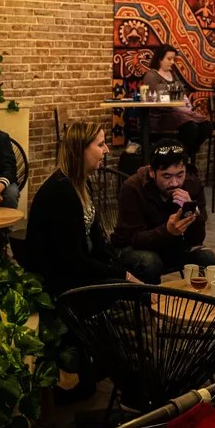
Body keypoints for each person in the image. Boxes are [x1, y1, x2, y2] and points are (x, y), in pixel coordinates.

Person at [24, 119, 138, 296]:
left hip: (80, 269)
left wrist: (120, 270)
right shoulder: (61, 192)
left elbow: (96, 239)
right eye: (100, 144)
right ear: (80, 150)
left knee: (142, 267)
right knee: (137, 287)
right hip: (62, 284)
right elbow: (71, 259)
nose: (106, 150)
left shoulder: (82, 183)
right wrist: (123, 276)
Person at [111, 143, 215, 283]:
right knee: (150, 262)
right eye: (167, 176)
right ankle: (150, 297)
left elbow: (197, 239)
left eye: (180, 175)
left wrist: (193, 211)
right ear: (152, 172)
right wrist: (167, 231)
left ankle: (195, 296)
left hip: (171, 246)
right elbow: (134, 238)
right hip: (132, 247)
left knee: (207, 257)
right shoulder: (133, 187)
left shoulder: (192, 184)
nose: (174, 183)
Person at [141, 45, 211, 158]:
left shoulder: (172, 73)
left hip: (179, 111)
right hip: (162, 115)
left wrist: (182, 103)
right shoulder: (152, 75)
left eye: (173, 59)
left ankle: (187, 153)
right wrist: (175, 96)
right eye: (169, 59)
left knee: (206, 125)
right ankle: (179, 156)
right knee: (191, 128)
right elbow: (159, 99)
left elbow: (181, 94)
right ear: (160, 59)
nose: (172, 62)